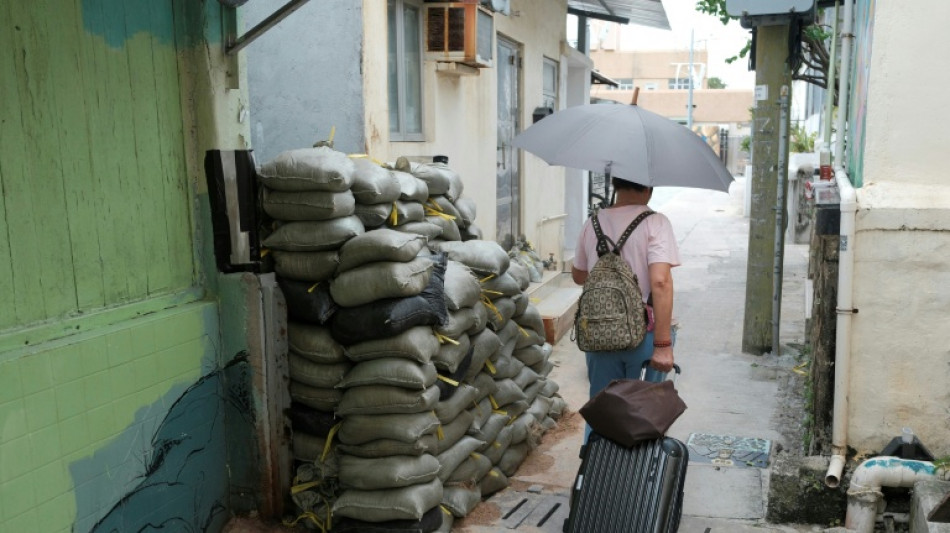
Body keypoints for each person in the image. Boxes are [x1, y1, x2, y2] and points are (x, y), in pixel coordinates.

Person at [572, 177, 681, 406]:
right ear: (650, 188)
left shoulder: (592, 223)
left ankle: (597, 444)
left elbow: (579, 276)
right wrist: (662, 346)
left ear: (614, 185)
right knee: (643, 415)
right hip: (645, 333)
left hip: (599, 330)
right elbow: (660, 282)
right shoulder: (656, 223)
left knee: (602, 412)